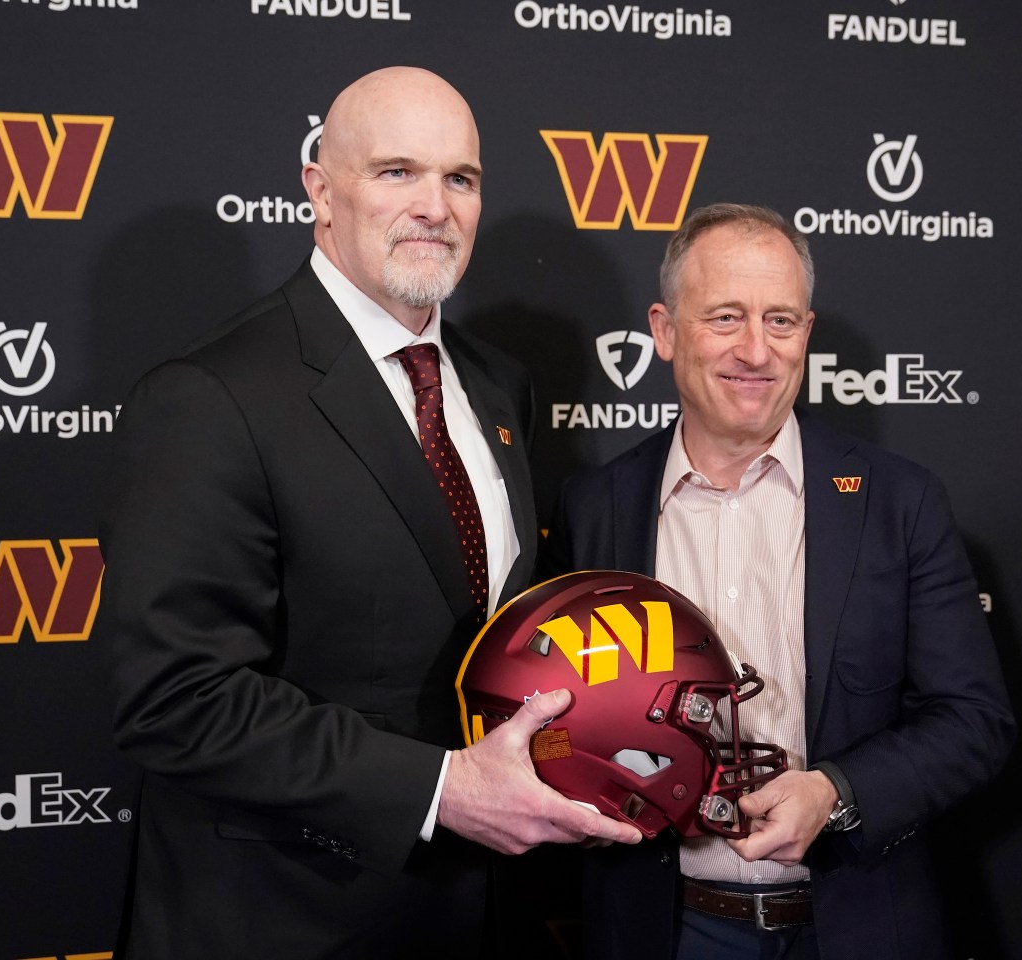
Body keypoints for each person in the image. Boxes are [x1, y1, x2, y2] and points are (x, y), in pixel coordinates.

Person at [99, 66, 640, 960]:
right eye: (397, 172)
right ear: (319, 189)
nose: (435, 205)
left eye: (460, 179)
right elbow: (174, 698)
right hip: (286, 921)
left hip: (481, 916)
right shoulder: (209, 397)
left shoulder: (500, 386)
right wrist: (443, 788)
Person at [540, 203, 1016, 959]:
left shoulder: (902, 501)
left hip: (857, 924)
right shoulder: (592, 508)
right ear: (664, 332)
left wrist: (836, 793)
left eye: (781, 321)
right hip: (662, 930)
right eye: (725, 317)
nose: (756, 350)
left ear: (807, 334)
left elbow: (974, 721)